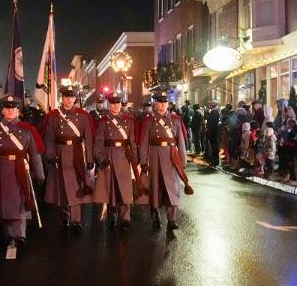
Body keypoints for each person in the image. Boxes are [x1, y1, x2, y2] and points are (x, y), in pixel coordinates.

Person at [0, 94, 45, 248]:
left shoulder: (27, 129)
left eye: (13, 108)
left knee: (21, 201)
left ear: (18, 110)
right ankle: (8, 233)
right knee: (5, 204)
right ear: (2, 111)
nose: (10, 111)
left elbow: (34, 153)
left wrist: (39, 174)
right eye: (7, 108)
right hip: (2, 168)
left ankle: (20, 234)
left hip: (21, 168)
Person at [43, 85, 94, 232]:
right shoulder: (53, 115)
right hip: (59, 152)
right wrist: (51, 155)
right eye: (66, 97)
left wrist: (89, 158)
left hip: (76, 154)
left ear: (75, 99)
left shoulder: (83, 115)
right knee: (62, 188)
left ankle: (76, 220)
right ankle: (65, 217)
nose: (69, 100)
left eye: (71, 97)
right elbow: (49, 137)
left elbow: (88, 138)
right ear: (62, 98)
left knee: (77, 186)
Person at [139, 88, 190, 230]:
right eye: (159, 102)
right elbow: (143, 142)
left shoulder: (176, 120)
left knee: (172, 188)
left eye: (164, 102)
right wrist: (143, 161)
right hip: (154, 155)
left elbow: (180, 142)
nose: (161, 105)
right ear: (155, 103)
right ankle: (155, 217)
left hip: (171, 156)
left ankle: (172, 219)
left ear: (168, 103)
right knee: (155, 188)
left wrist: (183, 161)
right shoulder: (149, 120)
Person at [92, 92, 138, 229]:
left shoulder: (129, 120)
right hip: (109, 157)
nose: (116, 106)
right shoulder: (103, 121)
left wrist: (135, 161)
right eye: (113, 103)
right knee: (111, 189)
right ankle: (112, 215)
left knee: (125, 189)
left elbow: (133, 143)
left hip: (124, 157)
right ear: (109, 104)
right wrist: (101, 159)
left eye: (118, 103)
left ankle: (126, 217)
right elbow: (98, 143)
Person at [206, 101, 220, 167]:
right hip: (214, 132)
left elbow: (211, 124)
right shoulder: (215, 112)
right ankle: (215, 161)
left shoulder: (213, 113)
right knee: (214, 147)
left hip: (213, 132)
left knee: (214, 147)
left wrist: (209, 133)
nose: (209, 106)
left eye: (210, 105)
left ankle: (215, 161)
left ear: (212, 106)